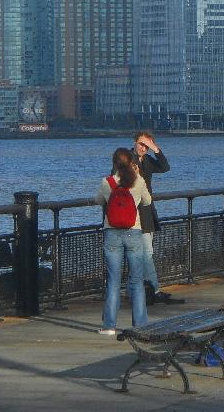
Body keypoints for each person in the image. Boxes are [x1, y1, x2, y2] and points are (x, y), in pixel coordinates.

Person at [94, 147, 151, 335]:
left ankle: (109, 326)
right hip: (133, 231)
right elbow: (148, 201)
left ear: (114, 164)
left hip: (112, 232)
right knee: (136, 280)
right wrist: (138, 176)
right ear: (132, 163)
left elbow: (98, 200)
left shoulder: (107, 182)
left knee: (113, 281)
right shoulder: (138, 181)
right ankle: (140, 325)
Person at [131, 131, 184, 305]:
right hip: (133, 213)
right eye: (141, 144)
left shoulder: (147, 160)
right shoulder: (127, 159)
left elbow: (164, 167)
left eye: (146, 146)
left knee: (145, 253)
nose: (143, 148)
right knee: (145, 253)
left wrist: (156, 149)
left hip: (147, 212)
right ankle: (152, 290)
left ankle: (144, 290)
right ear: (134, 142)